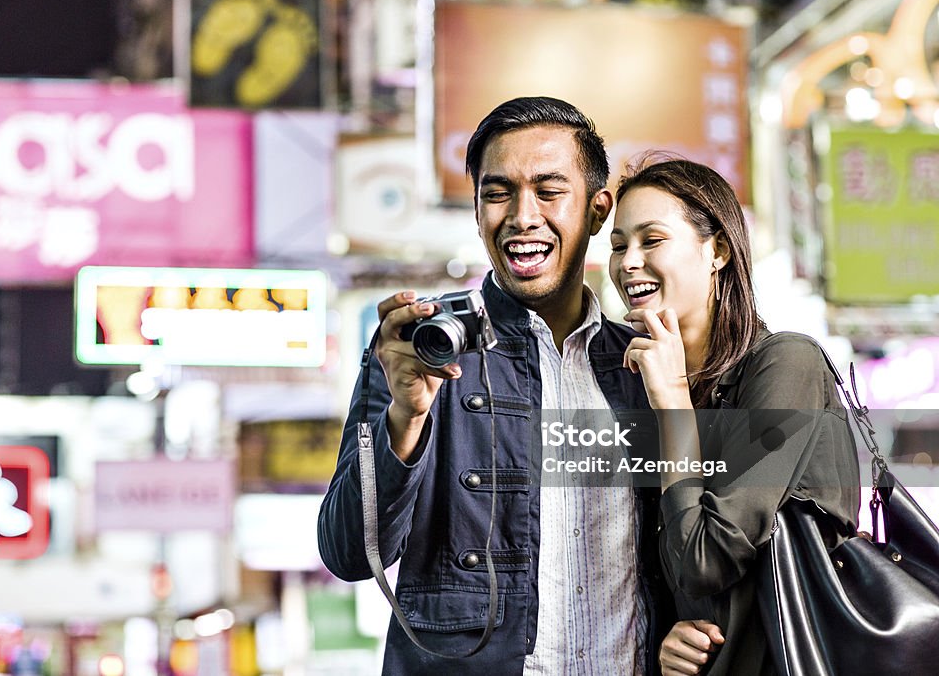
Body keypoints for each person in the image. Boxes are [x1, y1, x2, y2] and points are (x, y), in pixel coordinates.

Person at [318, 97, 675, 674]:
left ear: (597, 209)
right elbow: (347, 554)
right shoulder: (416, 357)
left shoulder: (644, 369)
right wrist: (404, 424)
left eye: (550, 190)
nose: (522, 215)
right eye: (497, 192)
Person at [607, 155, 861, 675]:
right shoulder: (651, 390)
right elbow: (677, 579)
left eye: (652, 240)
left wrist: (673, 402)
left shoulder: (787, 364)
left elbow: (706, 559)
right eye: (618, 245)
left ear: (717, 249)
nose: (628, 262)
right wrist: (667, 640)